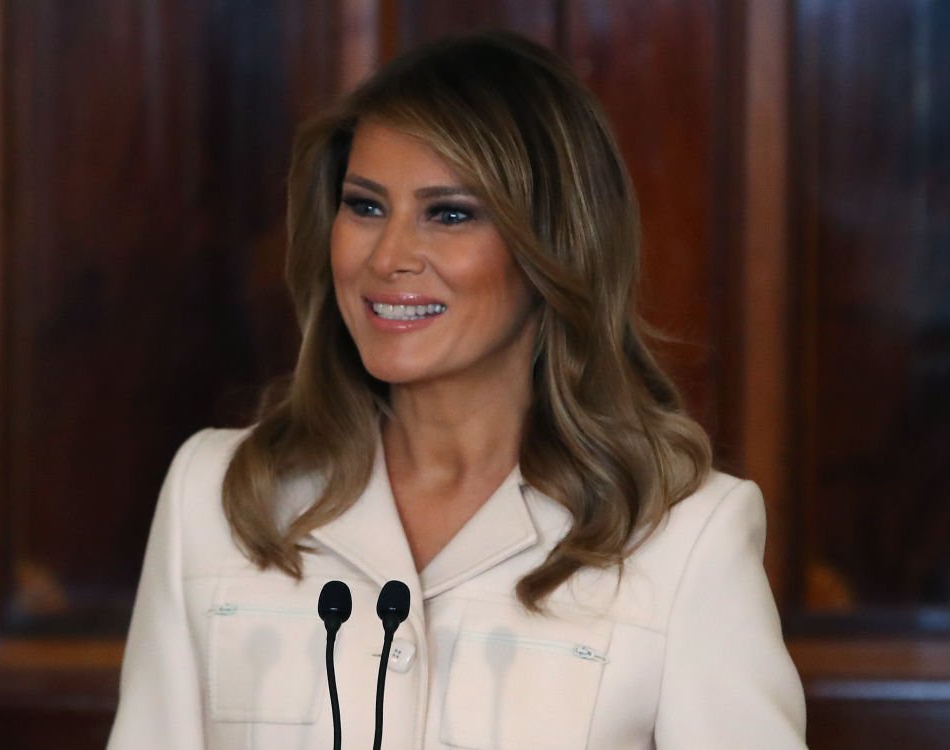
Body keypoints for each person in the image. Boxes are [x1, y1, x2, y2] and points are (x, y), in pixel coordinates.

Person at [107, 31, 807, 750]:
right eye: (366, 206)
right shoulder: (215, 494)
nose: (388, 257)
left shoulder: (686, 538)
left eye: (449, 213)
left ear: (554, 246)